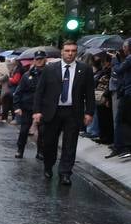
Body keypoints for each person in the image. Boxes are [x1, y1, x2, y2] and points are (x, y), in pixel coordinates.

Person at [34, 38, 95, 186]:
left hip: (73, 112)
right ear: (62, 52)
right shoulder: (50, 69)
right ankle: (48, 166)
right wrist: (37, 111)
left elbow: (89, 93)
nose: (70, 54)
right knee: (49, 143)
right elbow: (40, 91)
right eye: (67, 51)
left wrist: (89, 113)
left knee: (70, 144)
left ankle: (65, 173)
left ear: (76, 53)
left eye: (73, 51)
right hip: (52, 111)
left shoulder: (84, 69)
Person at [11, 53, 44, 160]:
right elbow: (18, 92)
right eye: (37, 59)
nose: (39, 61)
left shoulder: (49, 74)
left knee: (43, 132)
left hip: (43, 107)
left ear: (45, 60)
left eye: (41, 59)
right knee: (24, 130)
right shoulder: (27, 75)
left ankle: (40, 152)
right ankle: (20, 150)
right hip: (28, 107)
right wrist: (17, 107)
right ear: (34, 60)